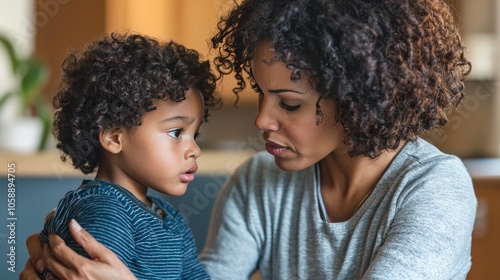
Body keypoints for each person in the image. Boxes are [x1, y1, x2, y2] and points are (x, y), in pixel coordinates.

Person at [21, 0, 477, 279]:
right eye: (260, 93)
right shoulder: (259, 183)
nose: (262, 119)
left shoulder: (433, 190)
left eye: (290, 104)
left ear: (359, 97)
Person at [29, 32, 219, 279]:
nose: (195, 149)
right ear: (114, 138)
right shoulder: (106, 212)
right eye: (176, 132)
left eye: (195, 135)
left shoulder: (168, 217)